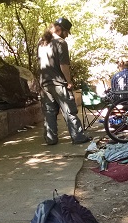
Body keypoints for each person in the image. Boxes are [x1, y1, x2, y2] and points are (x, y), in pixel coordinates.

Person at [37, 17, 91, 145]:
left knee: (49, 112)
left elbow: (39, 63)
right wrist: (69, 81)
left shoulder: (41, 42)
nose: (67, 35)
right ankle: (78, 137)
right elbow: (63, 66)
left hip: (44, 83)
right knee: (69, 111)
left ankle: (51, 139)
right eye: (66, 32)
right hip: (58, 83)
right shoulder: (61, 43)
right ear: (60, 30)